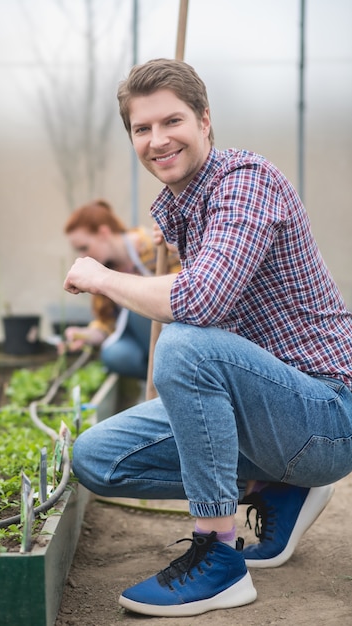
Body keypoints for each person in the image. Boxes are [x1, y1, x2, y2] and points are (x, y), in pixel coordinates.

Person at [63, 58, 352, 618]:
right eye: (141, 129)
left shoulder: (247, 182)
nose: (157, 140)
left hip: (326, 415)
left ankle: (218, 560)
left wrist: (101, 276)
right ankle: (275, 486)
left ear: (205, 120)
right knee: (95, 457)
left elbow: (201, 303)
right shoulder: (176, 207)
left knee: (186, 342)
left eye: (172, 121)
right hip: (265, 411)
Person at [60, 198, 180, 379]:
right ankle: (160, 382)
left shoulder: (154, 245)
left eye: (84, 248)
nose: (82, 256)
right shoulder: (101, 269)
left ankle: (174, 373)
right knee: (114, 354)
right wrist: (85, 335)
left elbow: (184, 288)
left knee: (136, 305)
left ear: (103, 233)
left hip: (173, 328)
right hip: (143, 341)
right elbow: (108, 323)